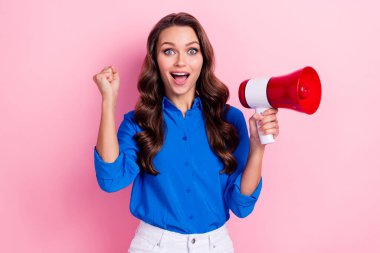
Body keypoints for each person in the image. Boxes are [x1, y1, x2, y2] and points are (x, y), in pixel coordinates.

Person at [92, 12, 279, 253]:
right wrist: (108, 100)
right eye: (169, 51)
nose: (181, 62)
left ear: (204, 59)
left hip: (215, 246)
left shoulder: (229, 120)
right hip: (155, 245)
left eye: (192, 51)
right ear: (155, 60)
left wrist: (257, 147)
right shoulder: (139, 122)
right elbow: (111, 179)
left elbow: (241, 206)